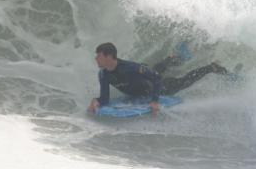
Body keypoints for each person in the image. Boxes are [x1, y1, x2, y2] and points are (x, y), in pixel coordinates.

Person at [87, 42, 229, 116]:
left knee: (184, 81)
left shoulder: (130, 67)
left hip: (157, 87)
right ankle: (172, 58)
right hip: (143, 82)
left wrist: (154, 100)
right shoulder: (104, 74)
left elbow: (156, 78)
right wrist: (97, 101)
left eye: (98, 56)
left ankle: (211, 67)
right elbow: (105, 98)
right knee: (155, 69)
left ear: (109, 56)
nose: (96, 59)